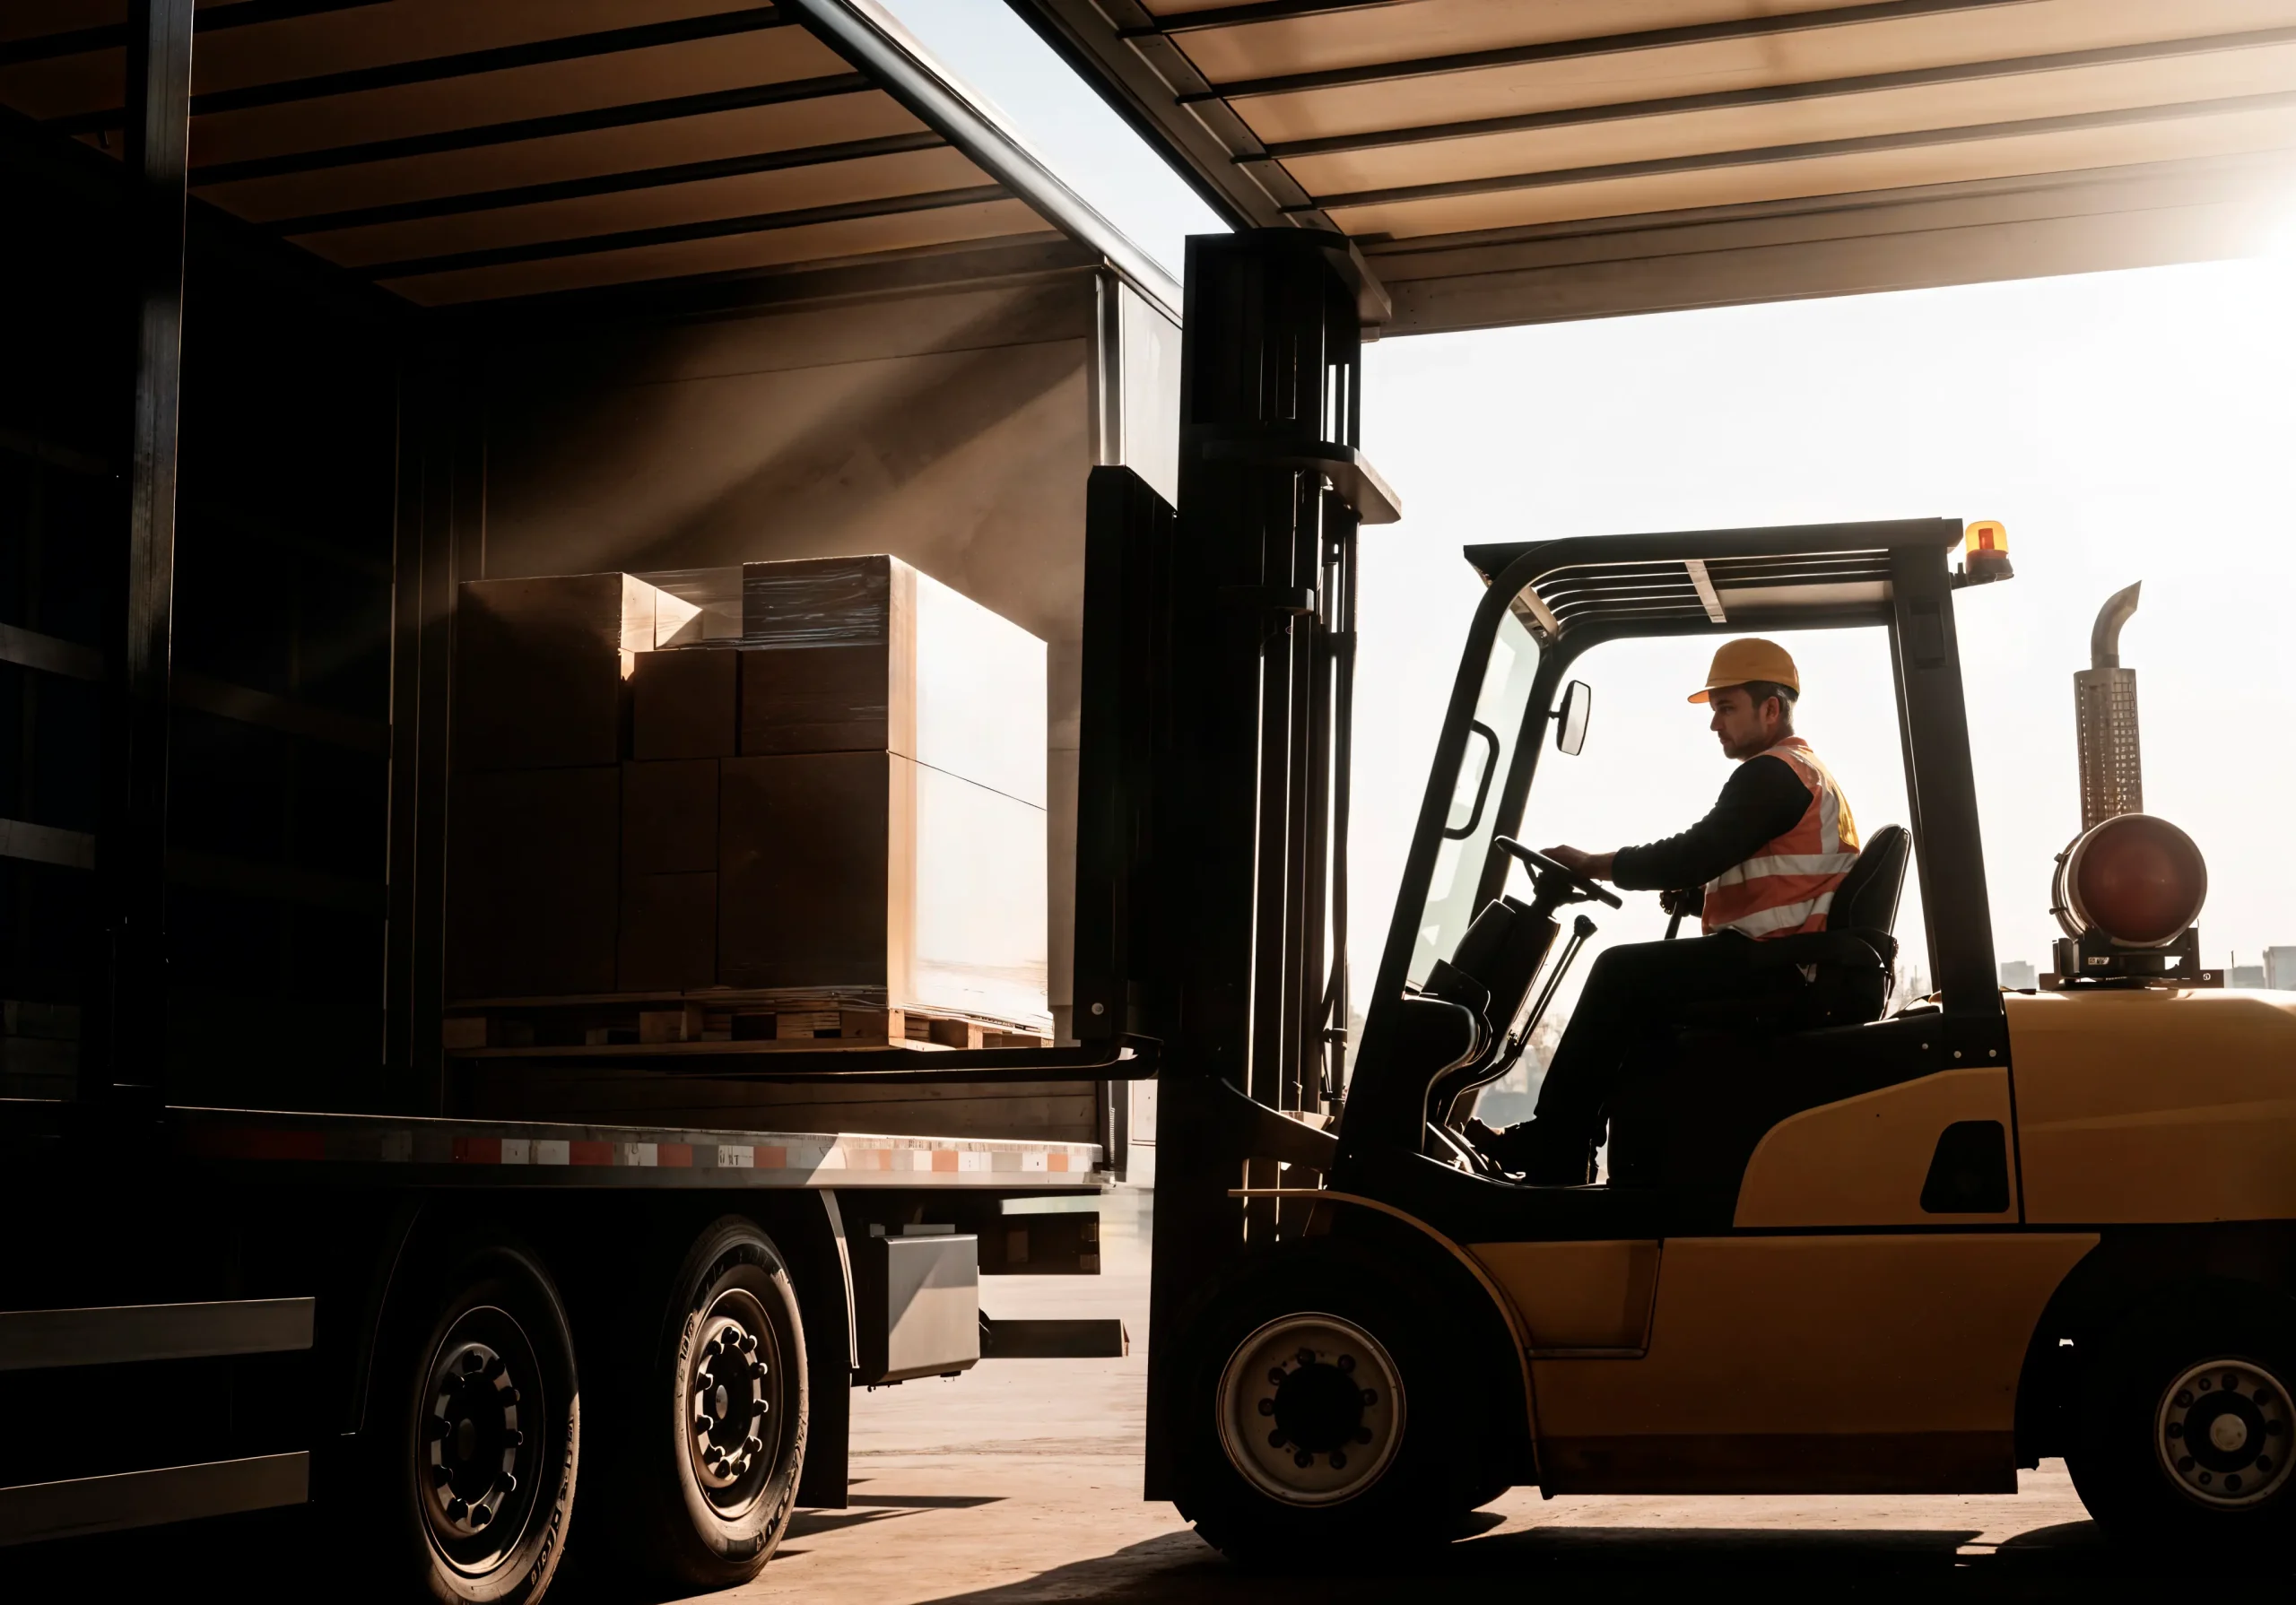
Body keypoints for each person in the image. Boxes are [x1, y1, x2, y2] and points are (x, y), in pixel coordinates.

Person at [1488, 638, 1860, 1184]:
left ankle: (1553, 1142)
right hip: (1780, 962)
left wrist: (1593, 862)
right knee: (1641, 1014)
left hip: (1774, 967)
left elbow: (1694, 851)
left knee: (1619, 972)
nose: (1715, 726)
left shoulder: (1774, 774)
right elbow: (1752, 860)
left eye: (1726, 709)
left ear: (1771, 709)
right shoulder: (1800, 775)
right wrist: (1695, 891)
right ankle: (1582, 1157)